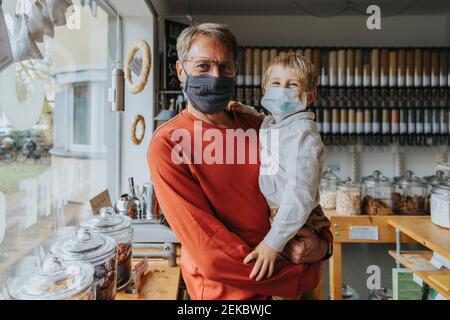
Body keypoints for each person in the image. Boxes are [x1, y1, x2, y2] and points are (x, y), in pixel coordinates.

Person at [147, 23, 333, 300]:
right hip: (228, 296)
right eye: (202, 66)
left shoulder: (261, 127)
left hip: (280, 285)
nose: (215, 76)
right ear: (180, 71)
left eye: (225, 67)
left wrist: (323, 246)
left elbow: (301, 193)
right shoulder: (169, 144)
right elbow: (212, 255)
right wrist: (306, 273)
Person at [228, 53, 330, 283]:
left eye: (292, 85)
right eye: (276, 83)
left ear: (309, 95)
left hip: (296, 217)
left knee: (289, 284)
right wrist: (245, 110)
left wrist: (271, 243)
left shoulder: (302, 134)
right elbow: (265, 120)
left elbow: (299, 196)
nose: (282, 90)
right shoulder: (276, 122)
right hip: (279, 214)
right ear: (265, 89)